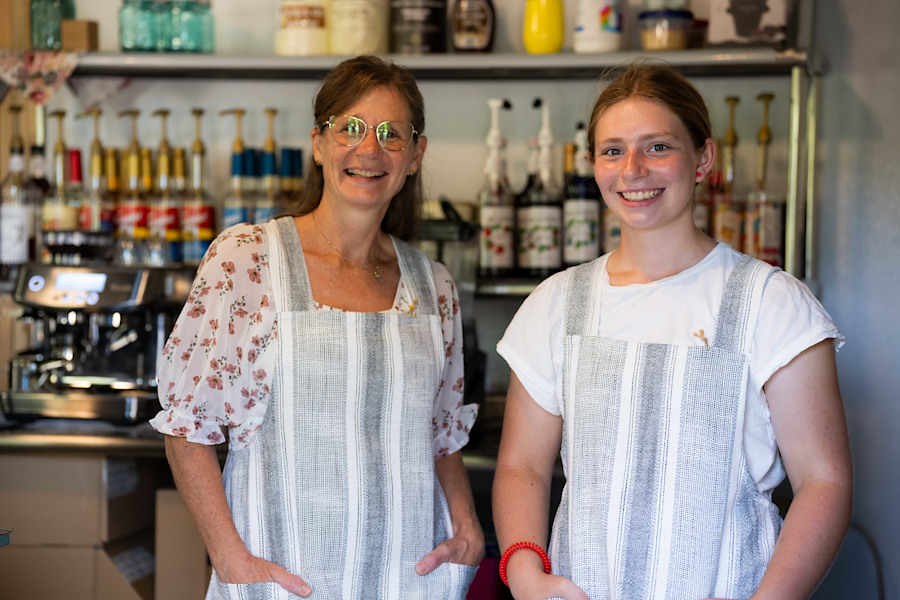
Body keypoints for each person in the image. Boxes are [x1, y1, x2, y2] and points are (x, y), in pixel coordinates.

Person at [492, 61, 852, 600]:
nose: (632, 169)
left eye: (657, 146)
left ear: (703, 158)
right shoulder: (557, 303)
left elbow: (825, 482)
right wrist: (525, 574)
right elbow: (522, 467)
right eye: (613, 150)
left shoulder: (772, 303)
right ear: (593, 164)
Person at [151, 55, 484, 599]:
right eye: (349, 128)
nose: (368, 149)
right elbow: (188, 429)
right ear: (318, 143)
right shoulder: (248, 260)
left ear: (416, 154)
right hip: (284, 576)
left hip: (409, 578)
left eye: (390, 134)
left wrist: (467, 526)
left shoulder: (434, 286)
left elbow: (441, 433)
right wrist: (229, 557)